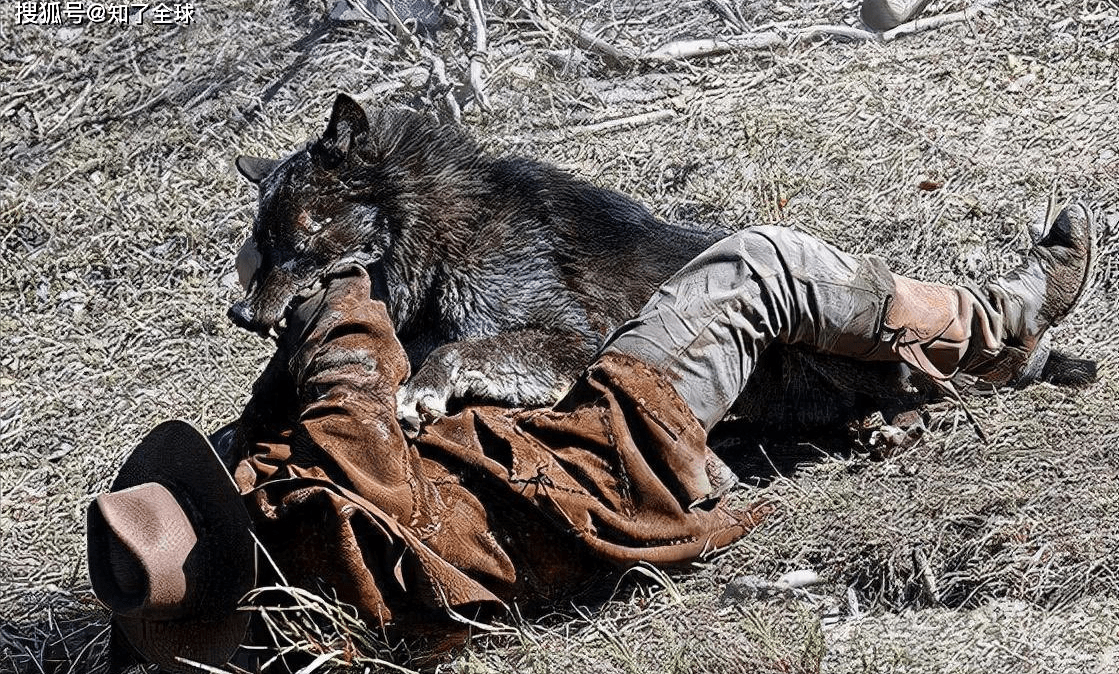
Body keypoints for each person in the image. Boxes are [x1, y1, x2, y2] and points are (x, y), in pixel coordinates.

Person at [87, 202, 1094, 672]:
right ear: (232, 516)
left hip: (579, 480)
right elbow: (352, 377)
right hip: (611, 452)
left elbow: (300, 429)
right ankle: (1000, 322)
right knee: (762, 263)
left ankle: (952, 367)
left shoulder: (283, 599)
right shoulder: (319, 517)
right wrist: (316, 279)